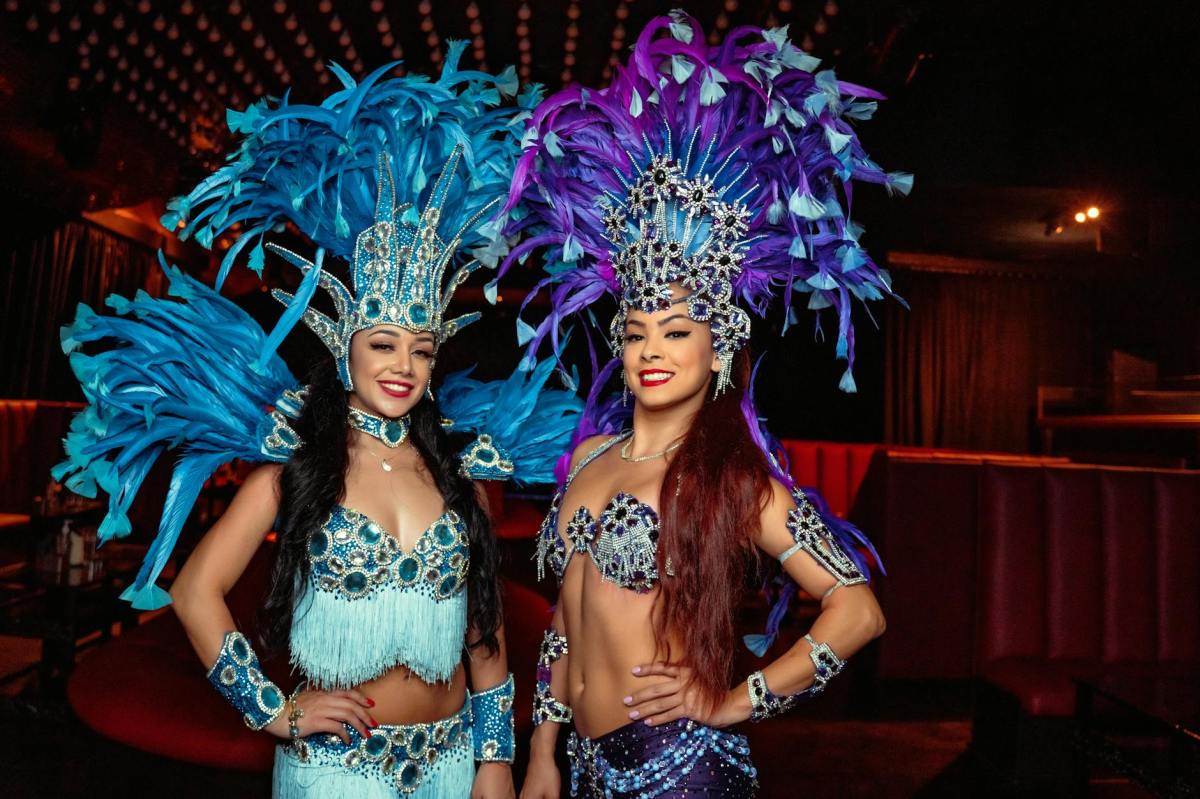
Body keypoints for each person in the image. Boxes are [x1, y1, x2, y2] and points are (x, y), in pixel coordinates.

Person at [53, 47, 577, 798]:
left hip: (451, 762)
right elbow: (195, 591)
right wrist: (274, 712)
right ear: (344, 348)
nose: (403, 366)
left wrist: (495, 761)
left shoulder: (461, 470)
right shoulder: (291, 469)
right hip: (335, 769)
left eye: (421, 349)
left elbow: (483, 630)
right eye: (383, 344)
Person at [495, 12, 911, 797]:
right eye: (637, 331)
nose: (652, 349)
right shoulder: (590, 458)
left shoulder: (731, 475)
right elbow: (567, 621)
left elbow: (857, 609)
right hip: (581, 767)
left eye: (677, 331)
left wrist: (735, 699)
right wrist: (543, 749)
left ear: (718, 349)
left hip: (680, 768)